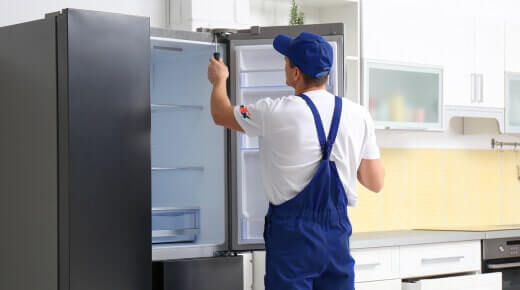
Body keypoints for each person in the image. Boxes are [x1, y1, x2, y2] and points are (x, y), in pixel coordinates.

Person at [208, 32, 385, 290]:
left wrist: (219, 81)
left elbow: (221, 114)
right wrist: (348, 149)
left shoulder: (273, 111)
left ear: (296, 73)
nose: (284, 66)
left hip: (292, 237)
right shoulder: (359, 115)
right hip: (335, 237)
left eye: (286, 62)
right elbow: (375, 181)